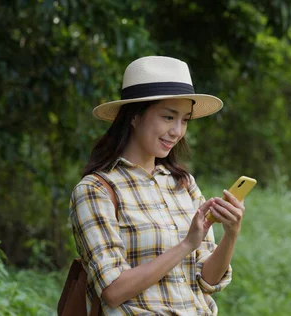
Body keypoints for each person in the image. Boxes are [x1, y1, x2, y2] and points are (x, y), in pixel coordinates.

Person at [69, 56, 245, 315]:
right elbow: (113, 290)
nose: (177, 131)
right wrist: (185, 245)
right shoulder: (96, 191)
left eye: (184, 120)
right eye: (168, 117)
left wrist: (231, 233)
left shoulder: (183, 185)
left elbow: (207, 280)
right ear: (135, 116)